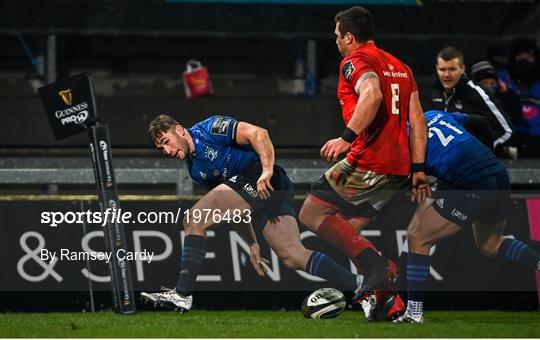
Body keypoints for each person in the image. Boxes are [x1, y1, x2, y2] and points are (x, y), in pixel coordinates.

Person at [141, 114, 362, 313]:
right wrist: (252, 242)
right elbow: (230, 207)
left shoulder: (210, 128)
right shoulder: (196, 171)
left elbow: (259, 134)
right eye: (161, 149)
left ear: (179, 130)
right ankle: (363, 286)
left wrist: (266, 171)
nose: (167, 151)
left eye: (166, 142)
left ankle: (182, 294)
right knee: (292, 256)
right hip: (256, 192)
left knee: (193, 219)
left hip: (265, 177)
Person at [298, 6, 430, 317]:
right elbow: (418, 123)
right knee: (349, 232)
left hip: (369, 159)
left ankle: (380, 268)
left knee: (311, 211)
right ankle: (387, 301)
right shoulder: (402, 68)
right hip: (398, 169)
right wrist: (419, 169)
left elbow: (371, 94)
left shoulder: (355, 61)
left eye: (337, 37)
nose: (336, 42)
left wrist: (345, 137)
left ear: (349, 36)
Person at [394, 110, 540, 323]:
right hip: (497, 175)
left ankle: (414, 314)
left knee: (418, 238)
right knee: (491, 243)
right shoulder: (434, 114)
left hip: (472, 184)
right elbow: (481, 121)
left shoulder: (401, 140)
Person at [428, 46, 513, 150]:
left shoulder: (476, 92)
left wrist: (478, 152)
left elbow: (506, 130)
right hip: (443, 160)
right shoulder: (433, 92)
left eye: (452, 69)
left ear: (462, 69)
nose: (446, 74)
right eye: (442, 69)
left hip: (472, 161)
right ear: (437, 68)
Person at [497, 38, 540, 158]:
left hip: (536, 137)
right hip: (508, 134)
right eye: (520, 55)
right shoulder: (500, 79)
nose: (524, 59)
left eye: (529, 56)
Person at [470, 60, 521, 157]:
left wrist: (508, 95)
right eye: (485, 83)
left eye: (493, 83)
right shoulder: (469, 100)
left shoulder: (502, 99)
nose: (489, 87)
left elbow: (516, 120)